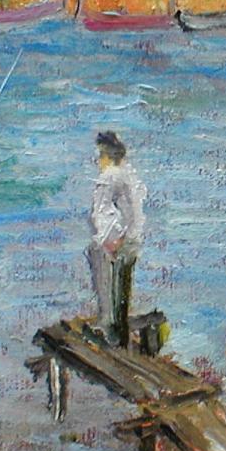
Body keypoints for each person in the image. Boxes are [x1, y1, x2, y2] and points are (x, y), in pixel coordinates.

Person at [89, 131, 146, 346]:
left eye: (100, 155)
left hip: (116, 240)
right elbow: (134, 212)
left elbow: (103, 211)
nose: (98, 160)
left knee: (107, 283)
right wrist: (129, 235)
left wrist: (110, 238)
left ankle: (108, 329)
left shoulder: (110, 176)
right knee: (122, 290)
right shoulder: (129, 174)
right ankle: (118, 333)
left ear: (106, 154)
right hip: (131, 238)